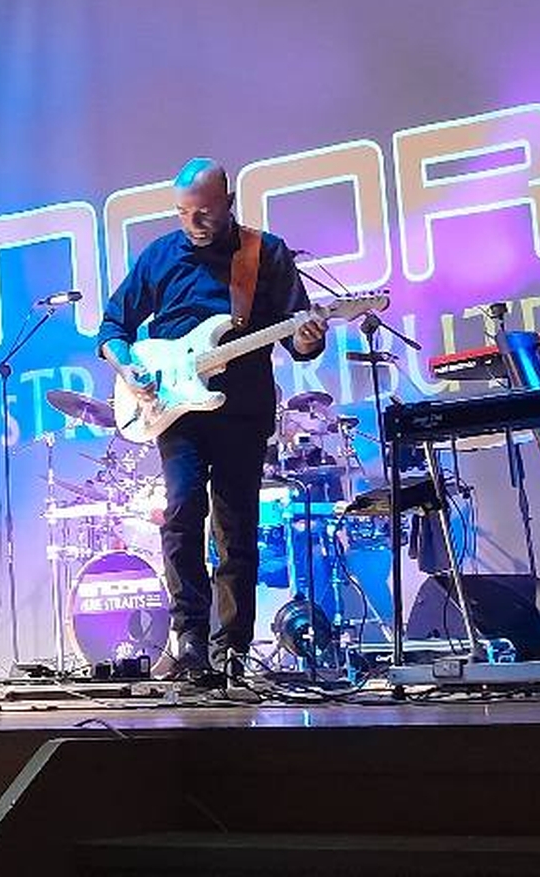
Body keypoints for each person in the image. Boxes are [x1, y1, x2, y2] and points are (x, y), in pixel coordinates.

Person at [98, 158, 326, 684]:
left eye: (203, 212)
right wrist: (127, 367)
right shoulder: (160, 255)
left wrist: (308, 338)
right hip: (175, 409)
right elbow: (113, 326)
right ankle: (190, 641)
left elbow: (299, 337)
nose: (193, 223)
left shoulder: (264, 252)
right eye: (183, 213)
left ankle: (232, 650)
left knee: (235, 528)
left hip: (242, 411)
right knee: (181, 512)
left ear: (229, 203)